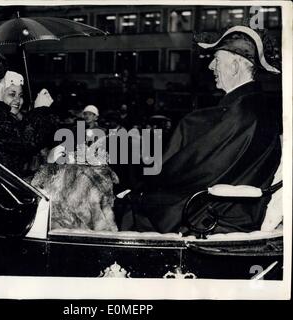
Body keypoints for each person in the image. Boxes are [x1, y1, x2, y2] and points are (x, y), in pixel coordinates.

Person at [120, 26, 281, 235]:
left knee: (131, 205)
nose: (210, 66)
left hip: (212, 211)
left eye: (216, 59)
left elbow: (191, 170)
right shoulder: (257, 108)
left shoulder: (238, 113)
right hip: (235, 206)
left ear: (234, 65)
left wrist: (140, 184)